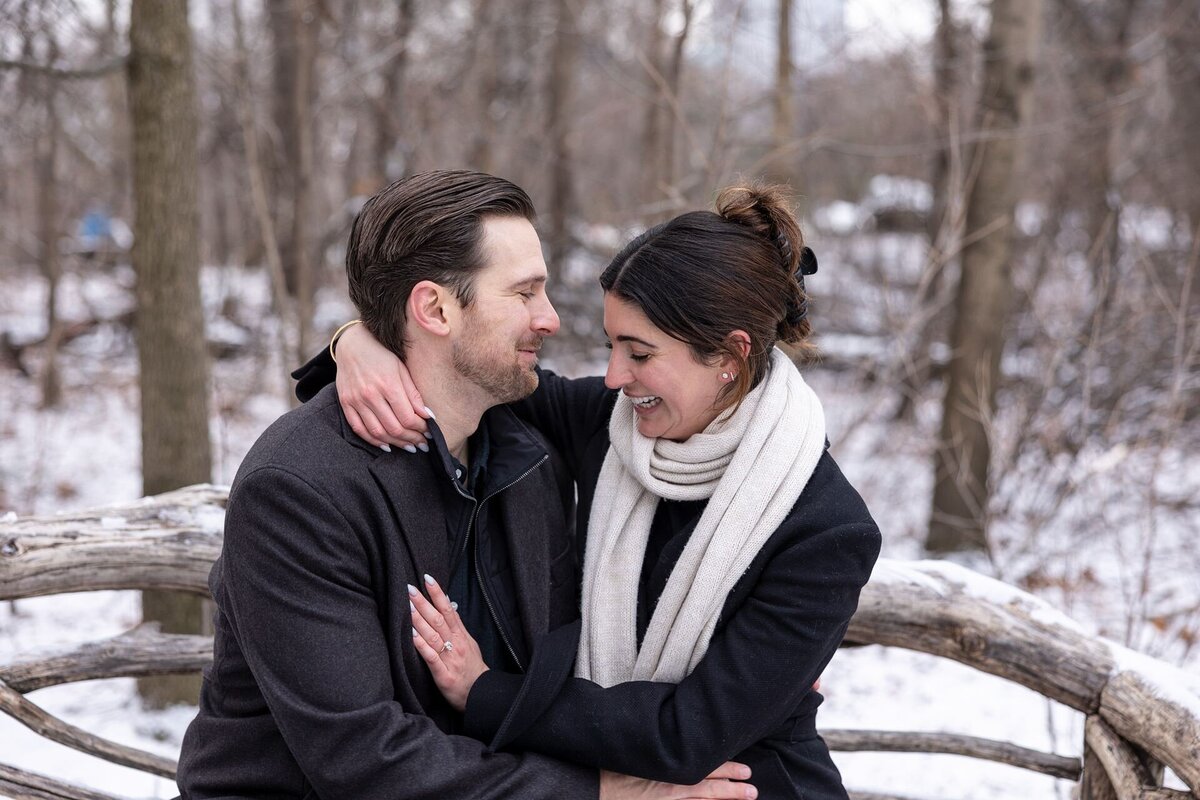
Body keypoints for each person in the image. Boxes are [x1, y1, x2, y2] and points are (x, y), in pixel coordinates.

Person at [177, 170, 758, 800]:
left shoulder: (529, 449)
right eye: (524, 293)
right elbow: (364, 761)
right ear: (435, 309)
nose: (550, 319)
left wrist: (760, 659)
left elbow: (726, 414)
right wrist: (603, 793)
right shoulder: (300, 491)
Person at [310, 182, 883, 799]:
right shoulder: (611, 425)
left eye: (639, 353)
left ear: (730, 356)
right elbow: (472, 373)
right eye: (612, 346)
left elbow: (689, 735)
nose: (613, 376)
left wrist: (484, 692)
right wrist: (359, 343)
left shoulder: (825, 530)